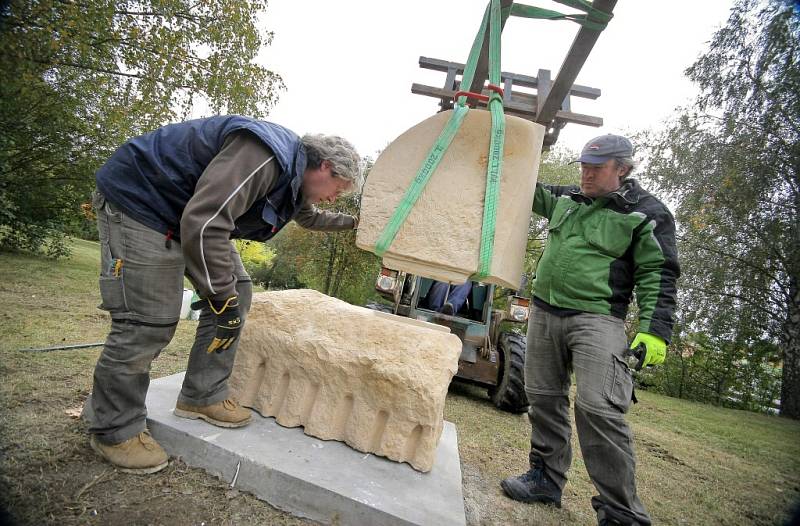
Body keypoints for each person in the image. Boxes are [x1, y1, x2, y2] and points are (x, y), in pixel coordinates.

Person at [87, 115, 362, 474]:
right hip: (142, 204)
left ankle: (202, 394)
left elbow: (309, 218)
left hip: (186, 214)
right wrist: (220, 296)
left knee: (240, 291)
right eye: (337, 189)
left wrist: (358, 224)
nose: (334, 198)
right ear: (324, 165)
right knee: (148, 321)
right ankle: (115, 429)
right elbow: (204, 223)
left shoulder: (293, 181)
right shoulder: (265, 155)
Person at [500, 134, 679, 525]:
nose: (586, 174)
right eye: (583, 166)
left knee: (599, 407)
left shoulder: (647, 214)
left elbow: (658, 273)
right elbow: (519, 184)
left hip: (597, 320)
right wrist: (510, 142)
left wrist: (654, 330)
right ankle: (546, 479)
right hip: (545, 313)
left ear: (623, 170)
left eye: (596, 168)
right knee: (543, 396)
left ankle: (621, 513)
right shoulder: (566, 199)